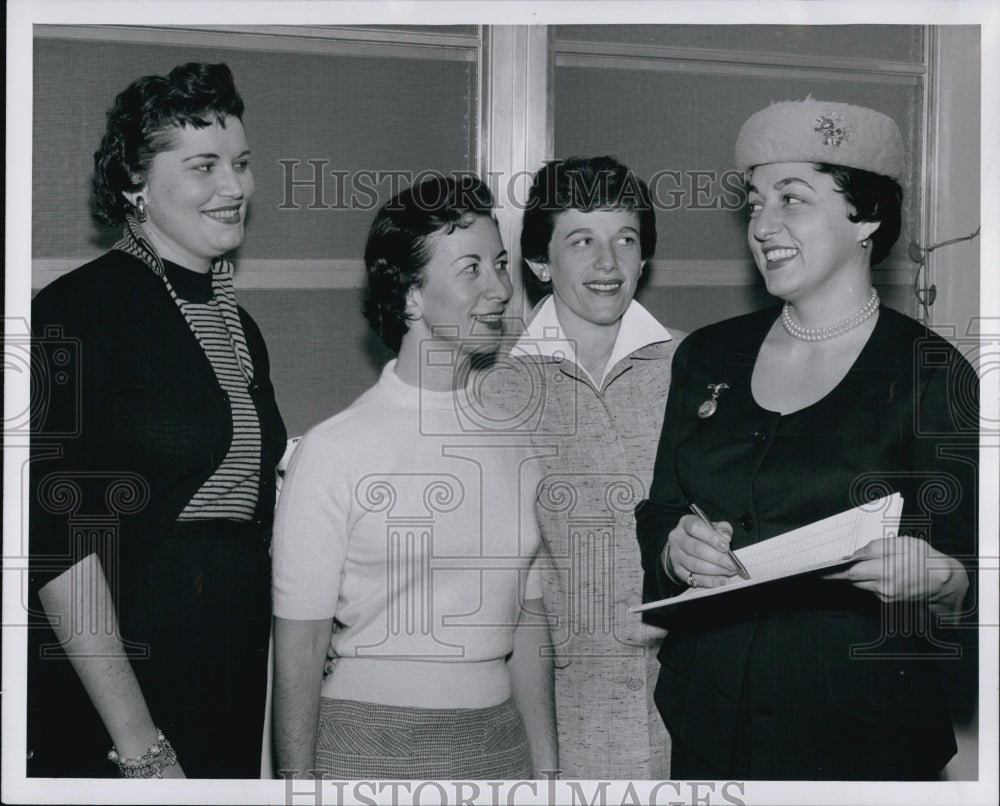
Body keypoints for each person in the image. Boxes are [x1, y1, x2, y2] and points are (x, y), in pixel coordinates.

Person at [636, 98, 978, 780]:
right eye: (755, 202)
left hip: (863, 748)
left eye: (792, 200)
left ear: (868, 217)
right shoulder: (706, 357)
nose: (762, 225)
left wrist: (942, 580)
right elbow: (660, 511)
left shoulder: (933, 375)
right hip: (710, 729)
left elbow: (977, 568)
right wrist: (675, 548)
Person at [28, 62, 287, 778]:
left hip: (227, 674)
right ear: (134, 185)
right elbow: (57, 543)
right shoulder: (76, 311)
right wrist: (140, 742)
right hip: (121, 685)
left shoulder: (241, 325)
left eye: (241, 164)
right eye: (204, 166)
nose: (234, 187)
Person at [271, 175, 557, 780]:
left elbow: (530, 627)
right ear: (410, 297)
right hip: (368, 750)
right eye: (472, 268)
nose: (501, 288)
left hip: (500, 747)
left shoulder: (518, 440)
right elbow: (298, 650)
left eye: (501, 265)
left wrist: (548, 772)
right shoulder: (332, 451)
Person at [482, 156, 683, 778]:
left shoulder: (695, 371)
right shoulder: (495, 392)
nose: (607, 263)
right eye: (581, 241)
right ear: (541, 264)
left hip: (685, 708)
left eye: (626, 239)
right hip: (555, 721)